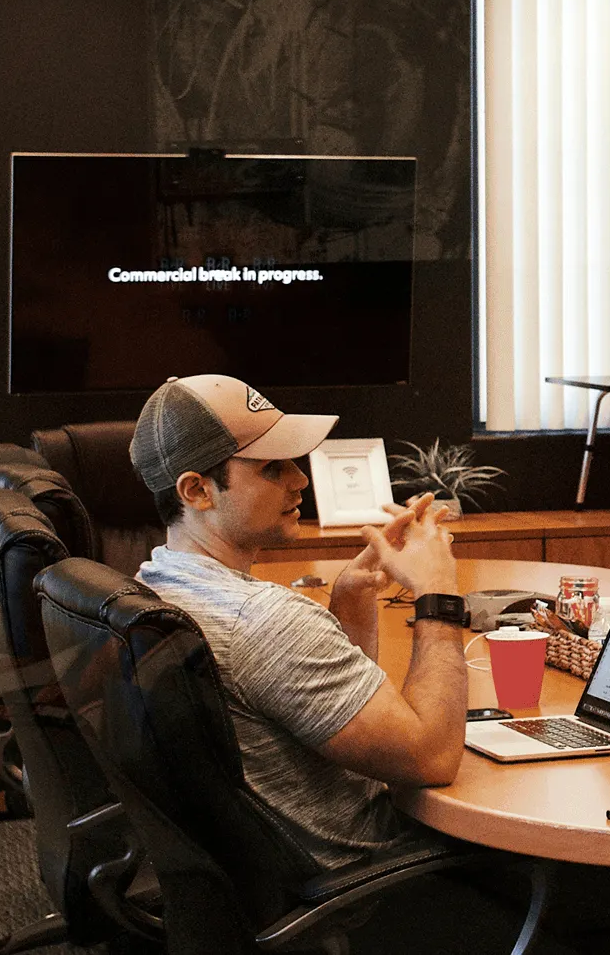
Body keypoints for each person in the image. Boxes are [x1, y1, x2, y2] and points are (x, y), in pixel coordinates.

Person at [129, 373, 469, 871]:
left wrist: (350, 596)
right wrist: (438, 595)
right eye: (272, 468)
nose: (300, 479)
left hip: (262, 880)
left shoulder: (153, 582)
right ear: (198, 490)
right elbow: (431, 758)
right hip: (371, 881)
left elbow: (319, 709)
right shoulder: (263, 621)